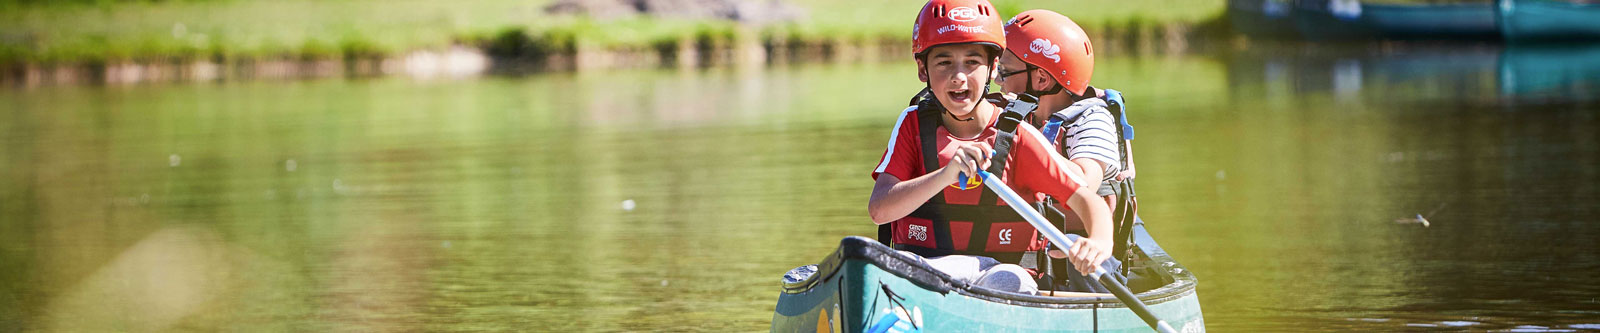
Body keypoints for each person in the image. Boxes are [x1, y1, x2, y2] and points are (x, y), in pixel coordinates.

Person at [867, 0, 1114, 295]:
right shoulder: (912, 124)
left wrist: (1099, 243)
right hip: (927, 267)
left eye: (972, 62)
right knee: (880, 263)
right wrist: (946, 174)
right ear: (923, 69)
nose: (959, 76)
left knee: (1008, 281)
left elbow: (1090, 201)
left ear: (993, 67)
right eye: (944, 62)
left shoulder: (1019, 136)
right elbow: (879, 211)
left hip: (1002, 273)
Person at [996, 9, 1131, 292]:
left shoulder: (1091, 118)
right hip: (1027, 258)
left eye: (1005, 71)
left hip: (1086, 262)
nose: (998, 80)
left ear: (1041, 80)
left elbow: (1084, 180)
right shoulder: (1014, 111)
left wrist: (1025, 141)